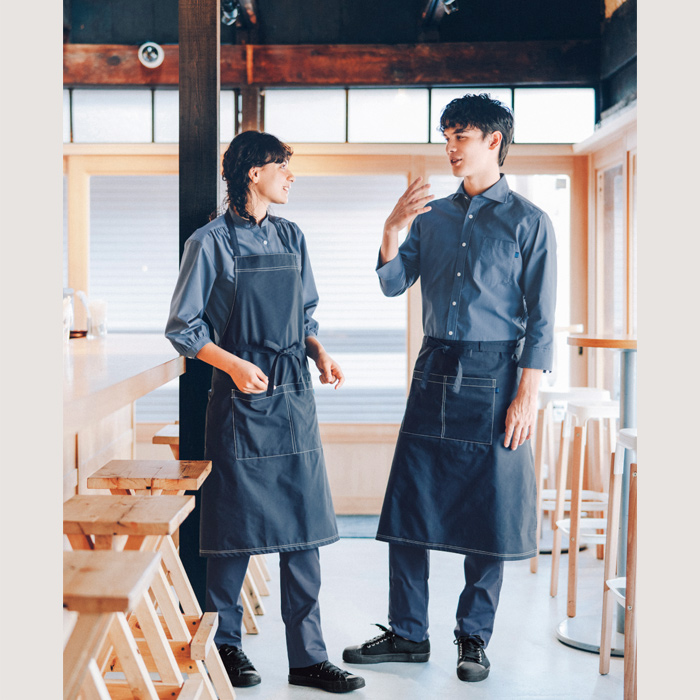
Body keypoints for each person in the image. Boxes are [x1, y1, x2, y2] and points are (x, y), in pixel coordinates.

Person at [342, 94, 557, 682]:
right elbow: (393, 283)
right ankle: (408, 633)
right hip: (434, 368)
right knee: (408, 502)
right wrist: (392, 228)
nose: (450, 147)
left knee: (489, 512)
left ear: (493, 140)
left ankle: (473, 638)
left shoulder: (530, 222)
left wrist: (527, 395)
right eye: (446, 136)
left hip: (499, 375)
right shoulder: (430, 217)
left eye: (460, 135)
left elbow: (542, 318)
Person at [166, 130, 365, 694]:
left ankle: (309, 658)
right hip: (241, 400)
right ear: (254, 173)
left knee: (305, 532)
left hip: (294, 395)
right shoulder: (209, 242)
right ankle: (225, 647)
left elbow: (304, 317)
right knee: (233, 530)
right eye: (283, 167)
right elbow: (183, 328)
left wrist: (319, 352)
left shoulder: (292, 236)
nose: (290, 177)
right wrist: (232, 366)